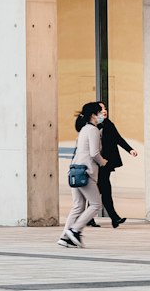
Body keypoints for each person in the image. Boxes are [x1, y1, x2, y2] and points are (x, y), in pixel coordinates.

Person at [59, 101, 106, 247]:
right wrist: (102, 161)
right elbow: (94, 153)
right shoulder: (93, 130)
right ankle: (74, 230)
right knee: (95, 204)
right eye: (101, 111)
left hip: (75, 170)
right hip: (86, 171)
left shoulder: (84, 129)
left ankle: (65, 237)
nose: (102, 114)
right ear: (93, 115)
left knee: (78, 205)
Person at [93, 101, 138, 228]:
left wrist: (130, 150)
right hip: (97, 163)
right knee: (102, 190)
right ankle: (113, 217)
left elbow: (118, 138)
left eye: (105, 108)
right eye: (101, 109)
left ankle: (112, 217)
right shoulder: (92, 126)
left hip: (105, 163)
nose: (104, 111)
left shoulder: (108, 124)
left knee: (101, 190)